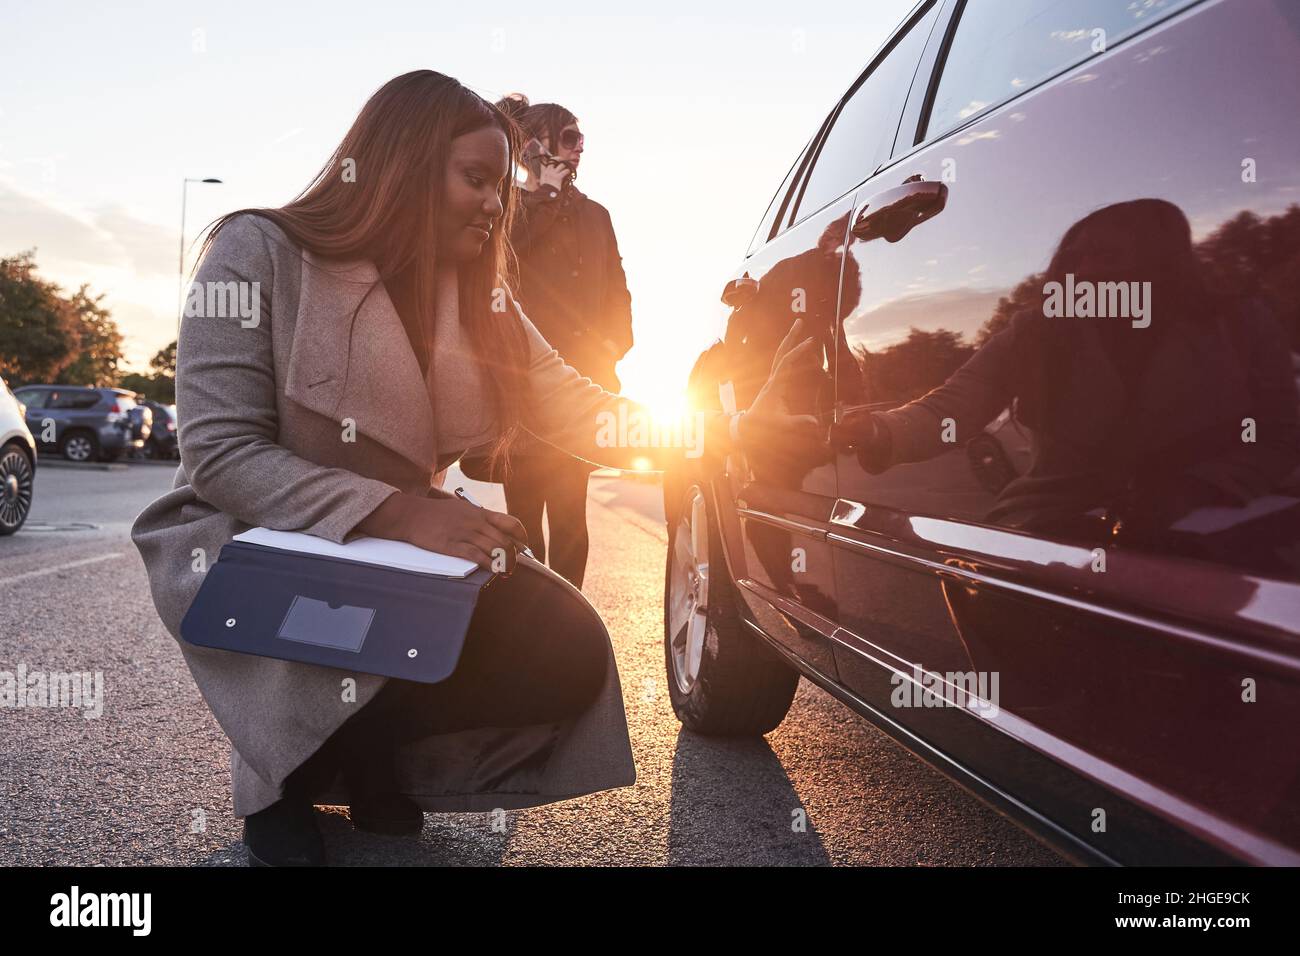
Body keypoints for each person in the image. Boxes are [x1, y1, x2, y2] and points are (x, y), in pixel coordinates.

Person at [130, 70, 813, 866]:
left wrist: (727, 432)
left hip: (396, 556)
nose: (497, 204)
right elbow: (221, 454)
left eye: (502, 185)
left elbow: (582, 408)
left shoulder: (481, 294)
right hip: (251, 538)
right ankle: (286, 778)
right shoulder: (259, 250)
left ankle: (369, 748)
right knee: (340, 612)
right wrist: (404, 512)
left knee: (564, 647)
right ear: (401, 167)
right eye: (476, 179)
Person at [485, 93, 633, 589]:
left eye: (581, 139)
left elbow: (619, 290)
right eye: (568, 138)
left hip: (583, 387)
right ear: (534, 146)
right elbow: (505, 263)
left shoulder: (597, 215)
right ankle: (527, 615)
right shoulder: (504, 210)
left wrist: (612, 347)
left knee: (571, 517)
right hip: (523, 390)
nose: (578, 150)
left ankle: (570, 618)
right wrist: (543, 192)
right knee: (522, 519)